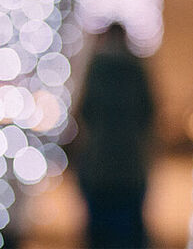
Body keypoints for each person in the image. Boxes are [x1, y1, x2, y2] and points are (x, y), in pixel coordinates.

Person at [75, 23, 154, 249]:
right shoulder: (136, 69)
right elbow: (148, 111)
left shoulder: (96, 69)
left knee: (100, 232)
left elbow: (84, 110)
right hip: (130, 165)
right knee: (129, 232)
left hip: (99, 164)